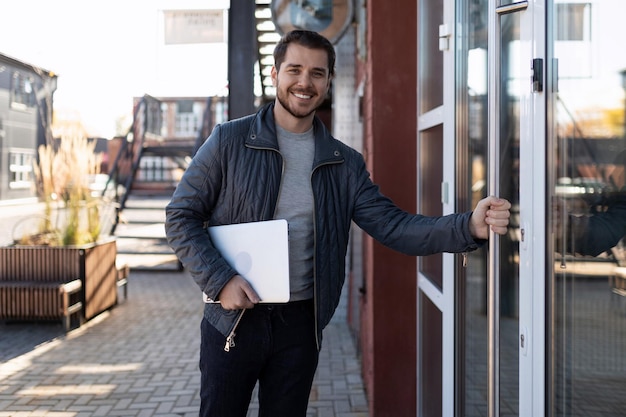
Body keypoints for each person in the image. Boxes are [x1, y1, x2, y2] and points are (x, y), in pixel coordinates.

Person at [164, 29, 511, 417]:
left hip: (300, 326)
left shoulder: (344, 163)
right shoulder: (229, 141)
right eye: (294, 69)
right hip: (231, 320)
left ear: (328, 81)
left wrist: (468, 227)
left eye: (317, 73)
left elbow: (393, 226)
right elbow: (180, 216)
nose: (304, 82)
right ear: (276, 73)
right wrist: (220, 280)